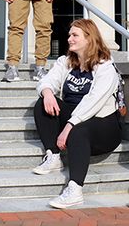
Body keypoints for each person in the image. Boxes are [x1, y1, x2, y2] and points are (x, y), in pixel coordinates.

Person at [32, 19, 122, 208]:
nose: (69, 39)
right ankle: (53, 155)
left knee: (79, 130)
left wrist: (68, 127)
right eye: (69, 35)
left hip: (103, 125)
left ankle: (74, 189)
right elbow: (47, 81)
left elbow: (93, 102)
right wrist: (48, 93)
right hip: (75, 118)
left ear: (89, 39)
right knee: (43, 103)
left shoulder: (105, 67)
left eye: (75, 35)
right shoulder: (66, 62)